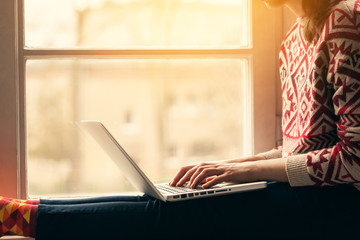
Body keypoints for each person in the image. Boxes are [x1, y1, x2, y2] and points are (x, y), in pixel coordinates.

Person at [1, 0, 360, 239]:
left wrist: (245, 173)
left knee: (180, 218)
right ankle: (20, 210)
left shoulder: (347, 20)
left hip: (339, 205)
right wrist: (226, 166)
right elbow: (297, 149)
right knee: (164, 200)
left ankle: (24, 221)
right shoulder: (294, 38)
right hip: (304, 193)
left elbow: (353, 161)